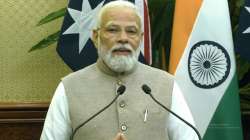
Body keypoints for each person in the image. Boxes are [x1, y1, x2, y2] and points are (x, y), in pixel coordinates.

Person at [40, 1, 198, 140]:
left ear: (141, 39)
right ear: (96, 36)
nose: (123, 38)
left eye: (131, 31)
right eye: (113, 30)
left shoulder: (166, 85)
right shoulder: (69, 87)